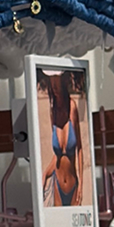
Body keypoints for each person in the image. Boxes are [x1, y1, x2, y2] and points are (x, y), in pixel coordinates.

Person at [44, 69, 84, 207]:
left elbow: (79, 149)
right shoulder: (53, 111)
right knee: (58, 226)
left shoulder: (72, 107)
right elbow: (57, 156)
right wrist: (45, 174)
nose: (54, 86)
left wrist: (81, 186)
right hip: (57, 183)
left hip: (73, 184)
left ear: (63, 82)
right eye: (52, 82)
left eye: (57, 82)